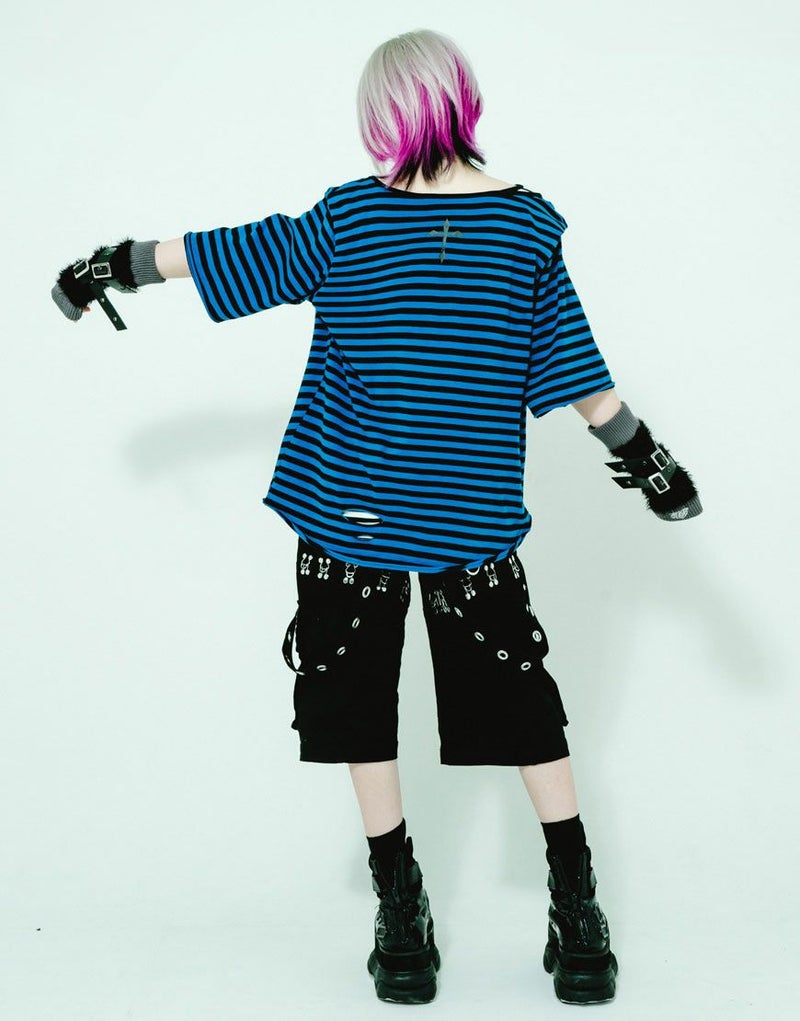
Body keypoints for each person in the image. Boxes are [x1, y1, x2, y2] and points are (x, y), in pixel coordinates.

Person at [51, 26, 702, 1008]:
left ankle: (405, 918)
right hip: (463, 516)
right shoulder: (525, 227)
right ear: (463, 102)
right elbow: (580, 374)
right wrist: (649, 464)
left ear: (382, 117)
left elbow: (224, 251)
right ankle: (574, 918)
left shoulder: (350, 218)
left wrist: (113, 265)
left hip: (348, 511)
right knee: (519, 701)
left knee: (361, 702)